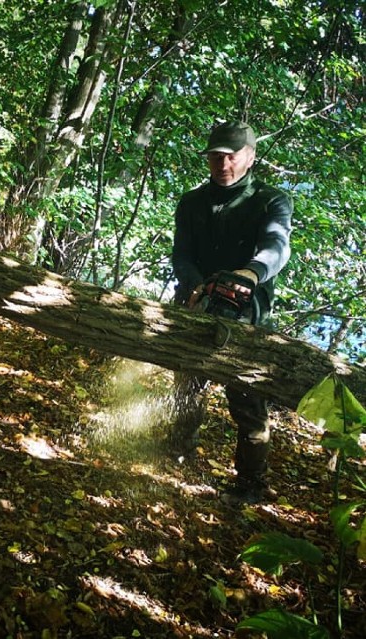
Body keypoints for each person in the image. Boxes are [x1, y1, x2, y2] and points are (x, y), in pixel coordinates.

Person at [170, 121, 293, 505]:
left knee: (248, 400)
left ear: (250, 156)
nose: (222, 163)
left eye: (231, 156)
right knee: (186, 384)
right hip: (196, 304)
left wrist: (251, 273)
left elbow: (277, 245)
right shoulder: (192, 202)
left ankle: (251, 483)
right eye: (215, 156)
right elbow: (182, 254)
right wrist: (194, 286)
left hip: (247, 315)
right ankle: (178, 451)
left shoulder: (271, 200)